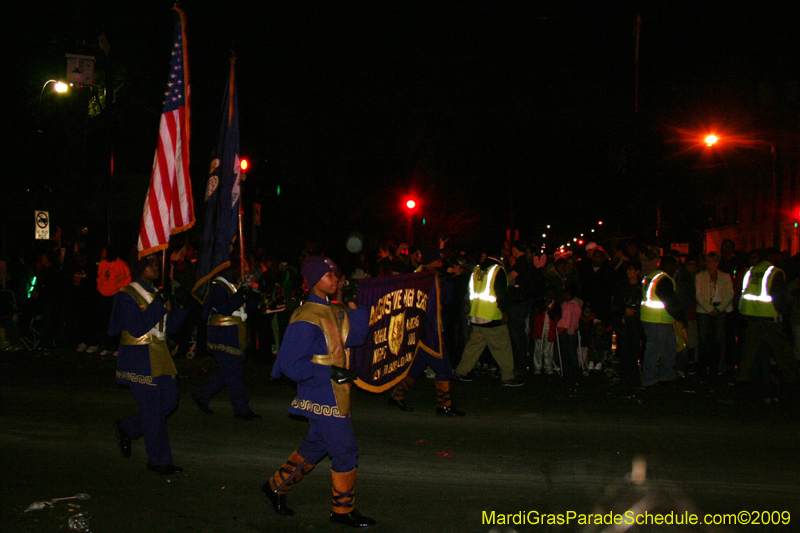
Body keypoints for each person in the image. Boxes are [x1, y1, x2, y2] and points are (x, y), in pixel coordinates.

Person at [263, 256, 376, 528]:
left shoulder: (334, 310)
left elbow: (357, 337)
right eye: (328, 275)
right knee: (345, 449)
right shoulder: (306, 316)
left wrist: (352, 304)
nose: (335, 279)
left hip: (337, 391)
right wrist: (329, 373)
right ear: (314, 280)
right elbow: (291, 364)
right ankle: (342, 510)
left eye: (336, 274)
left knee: (317, 445)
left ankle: (276, 486)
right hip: (320, 392)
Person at [111, 254, 186, 475]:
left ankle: (128, 427)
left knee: (170, 402)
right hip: (139, 357)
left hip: (161, 355)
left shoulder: (157, 293)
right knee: (153, 412)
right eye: (151, 264)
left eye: (155, 263)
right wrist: (159, 304)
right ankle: (159, 461)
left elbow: (169, 328)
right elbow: (136, 328)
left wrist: (181, 306)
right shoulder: (127, 295)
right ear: (140, 269)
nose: (156, 267)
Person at [191, 254, 261, 420]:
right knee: (234, 371)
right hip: (223, 335)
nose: (243, 269)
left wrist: (253, 296)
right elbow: (224, 308)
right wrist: (241, 294)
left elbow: (246, 309)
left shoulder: (234, 285)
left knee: (226, 371)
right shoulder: (217, 285)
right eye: (241, 265)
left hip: (235, 333)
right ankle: (241, 408)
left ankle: (202, 395)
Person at [453, 255, 524, 386]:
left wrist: (469, 307)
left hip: (476, 314)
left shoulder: (477, 269)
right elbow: (500, 293)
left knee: (474, 346)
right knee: (502, 347)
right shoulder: (498, 270)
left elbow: (470, 290)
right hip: (492, 316)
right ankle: (508, 377)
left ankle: (461, 371)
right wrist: (504, 311)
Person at [737, 248, 799, 386]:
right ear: (774, 256)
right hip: (769, 316)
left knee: (749, 349)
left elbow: (744, 292)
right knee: (781, 348)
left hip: (751, 314)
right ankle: (792, 376)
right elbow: (778, 297)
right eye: (780, 255)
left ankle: (742, 375)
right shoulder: (775, 272)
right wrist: (783, 314)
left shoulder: (750, 270)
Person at [639, 255, 686, 388]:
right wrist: (681, 317)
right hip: (658, 319)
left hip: (654, 318)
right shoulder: (664, 279)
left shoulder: (652, 276)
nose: (675, 270)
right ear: (669, 266)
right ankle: (649, 379)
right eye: (674, 267)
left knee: (668, 347)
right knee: (655, 350)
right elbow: (669, 301)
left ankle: (666, 375)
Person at [694, 252, 733, 381]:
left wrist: (720, 308)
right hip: (704, 310)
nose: (708, 264)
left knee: (718, 339)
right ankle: (702, 368)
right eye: (707, 261)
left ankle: (716, 368)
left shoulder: (725, 276)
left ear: (716, 262)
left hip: (720, 308)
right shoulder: (700, 276)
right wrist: (710, 309)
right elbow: (698, 295)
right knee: (703, 339)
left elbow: (729, 293)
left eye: (710, 261)